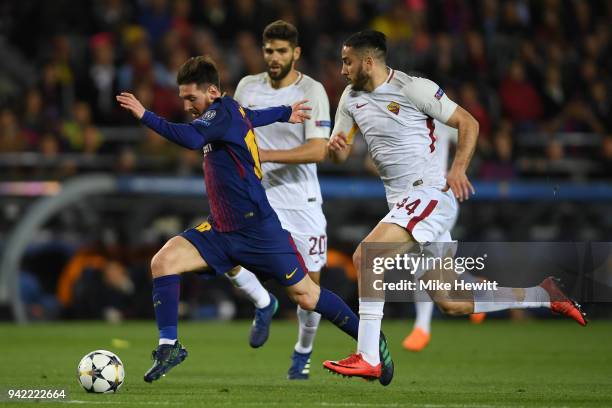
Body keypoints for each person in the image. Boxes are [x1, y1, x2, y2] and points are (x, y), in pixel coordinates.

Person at [323, 30, 587, 384]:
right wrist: (335, 146)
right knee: (451, 300)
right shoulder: (350, 97)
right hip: (405, 205)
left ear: (368, 62)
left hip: (431, 195)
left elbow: (469, 123)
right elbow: (338, 154)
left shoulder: (414, 88)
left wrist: (458, 167)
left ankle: (369, 356)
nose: (342, 70)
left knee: (367, 256)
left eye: (347, 61)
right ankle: (543, 295)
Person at [116, 55, 375, 383]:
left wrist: (145, 115)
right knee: (163, 261)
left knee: (307, 295)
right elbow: (252, 115)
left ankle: (370, 344)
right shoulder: (232, 110)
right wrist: (284, 113)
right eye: (182, 98)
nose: (186, 105)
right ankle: (169, 346)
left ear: (211, 92)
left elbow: (192, 139)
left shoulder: (219, 113)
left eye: (190, 98)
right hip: (221, 228)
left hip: (257, 229)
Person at [229, 20, 330, 380]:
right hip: (256, 196)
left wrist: (266, 156)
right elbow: (234, 133)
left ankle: (303, 351)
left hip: (301, 201)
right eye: (269, 50)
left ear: (296, 53)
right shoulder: (247, 87)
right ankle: (262, 301)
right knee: (223, 252)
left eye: (282, 51)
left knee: (308, 292)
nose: (274, 57)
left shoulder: (312, 91)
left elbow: (319, 149)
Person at [402, 120, 486, 353]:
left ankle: (422, 327)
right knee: (435, 261)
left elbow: (471, 131)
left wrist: (458, 168)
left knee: (424, 261)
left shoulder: (442, 119)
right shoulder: (401, 119)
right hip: (411, 199)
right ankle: (476, 288)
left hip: (437, 195)